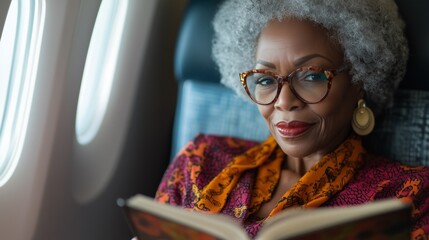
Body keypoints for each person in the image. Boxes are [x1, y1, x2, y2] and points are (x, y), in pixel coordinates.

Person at [155, 0, 429, 239]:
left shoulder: (406, 197)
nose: (284, 101)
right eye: (265, 79)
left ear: (360, 80)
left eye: (312, 75)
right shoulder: (200, 162)